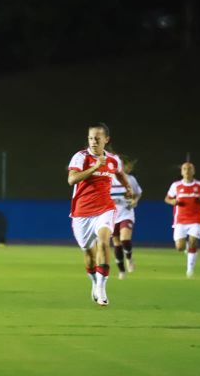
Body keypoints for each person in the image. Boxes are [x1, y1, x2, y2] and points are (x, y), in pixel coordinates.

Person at [67, 122, 132, 306]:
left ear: (106, 139)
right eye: (90, 138)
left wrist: (127, 187)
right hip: (81, 212)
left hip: (105, 209)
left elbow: (119, 173)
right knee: (89, 252)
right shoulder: (80, 157)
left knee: (104, 243)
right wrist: (95, 167)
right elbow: (71, 179)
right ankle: (95, 283)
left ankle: (102, 288)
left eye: (97, 138)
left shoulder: (113, 159)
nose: (93, 141)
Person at [164, 162, 200, 278]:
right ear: (181, 172)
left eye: (189, 169)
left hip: (196, 219)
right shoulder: (176, 185)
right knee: (180, 247)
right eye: (184, 169)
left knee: (193, 242)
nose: (187, 171)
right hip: (180, 220)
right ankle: (187, 248)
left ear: (194, 171)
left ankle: (190, 271)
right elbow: (167, 198)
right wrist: (172, 201)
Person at [110, 156, 143, 279]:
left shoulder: (130, 179)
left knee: (124, 239)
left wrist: (135, 200)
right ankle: (121, 271)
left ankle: (129, 257)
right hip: (112, 215)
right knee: (116, 243)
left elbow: (138, 193)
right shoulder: (107, 181)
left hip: (126, 213)